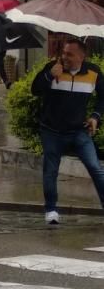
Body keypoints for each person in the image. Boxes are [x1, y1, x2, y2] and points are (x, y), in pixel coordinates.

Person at [31, 38, 104, 224]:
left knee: (96, 168)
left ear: (82, 56)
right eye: (63, 53)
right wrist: (49, 76)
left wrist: (95, 117)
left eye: (70, 54)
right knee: (51, 171)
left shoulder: (93, 72)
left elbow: (103, 98)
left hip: (78, 131)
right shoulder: (52, 67)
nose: (65, 57)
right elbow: (35, 90)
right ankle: (51, 210)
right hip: (51, 130)